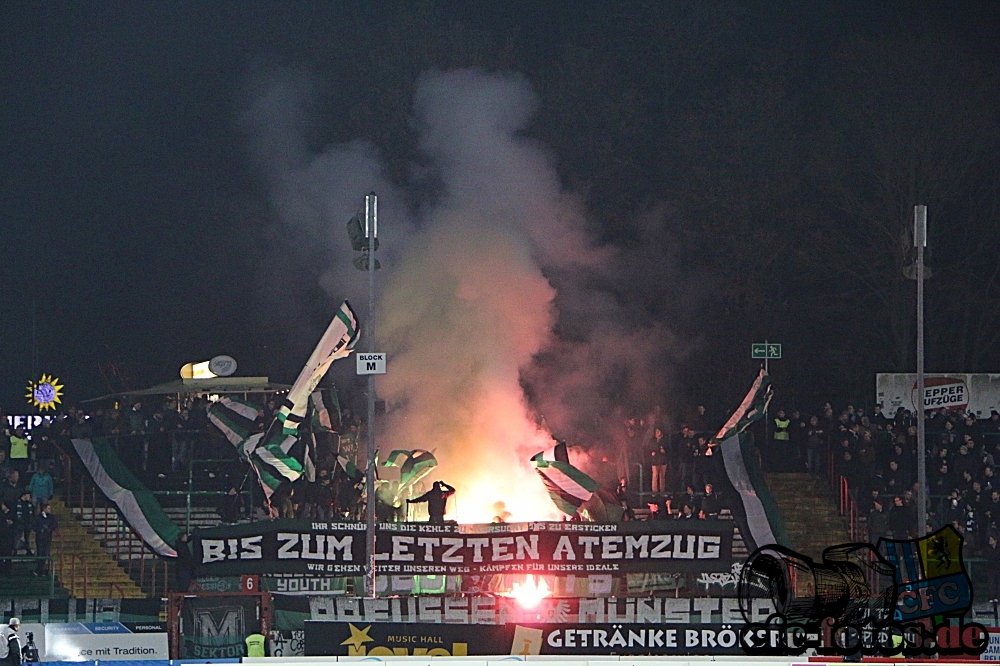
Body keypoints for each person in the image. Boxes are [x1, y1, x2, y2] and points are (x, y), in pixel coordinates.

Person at [33, 503, 56, 577]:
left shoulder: (51, 517)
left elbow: (55, 525)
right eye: (48, 508)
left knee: (45, 553)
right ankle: (39, 569)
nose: (49, 510)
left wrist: (49, 529)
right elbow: (34, 526)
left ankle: (41, 570)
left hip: (47, 538)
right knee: (40, 553)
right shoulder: (38, 517)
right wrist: (40, 530)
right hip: (40, 538)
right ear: (44, 509)